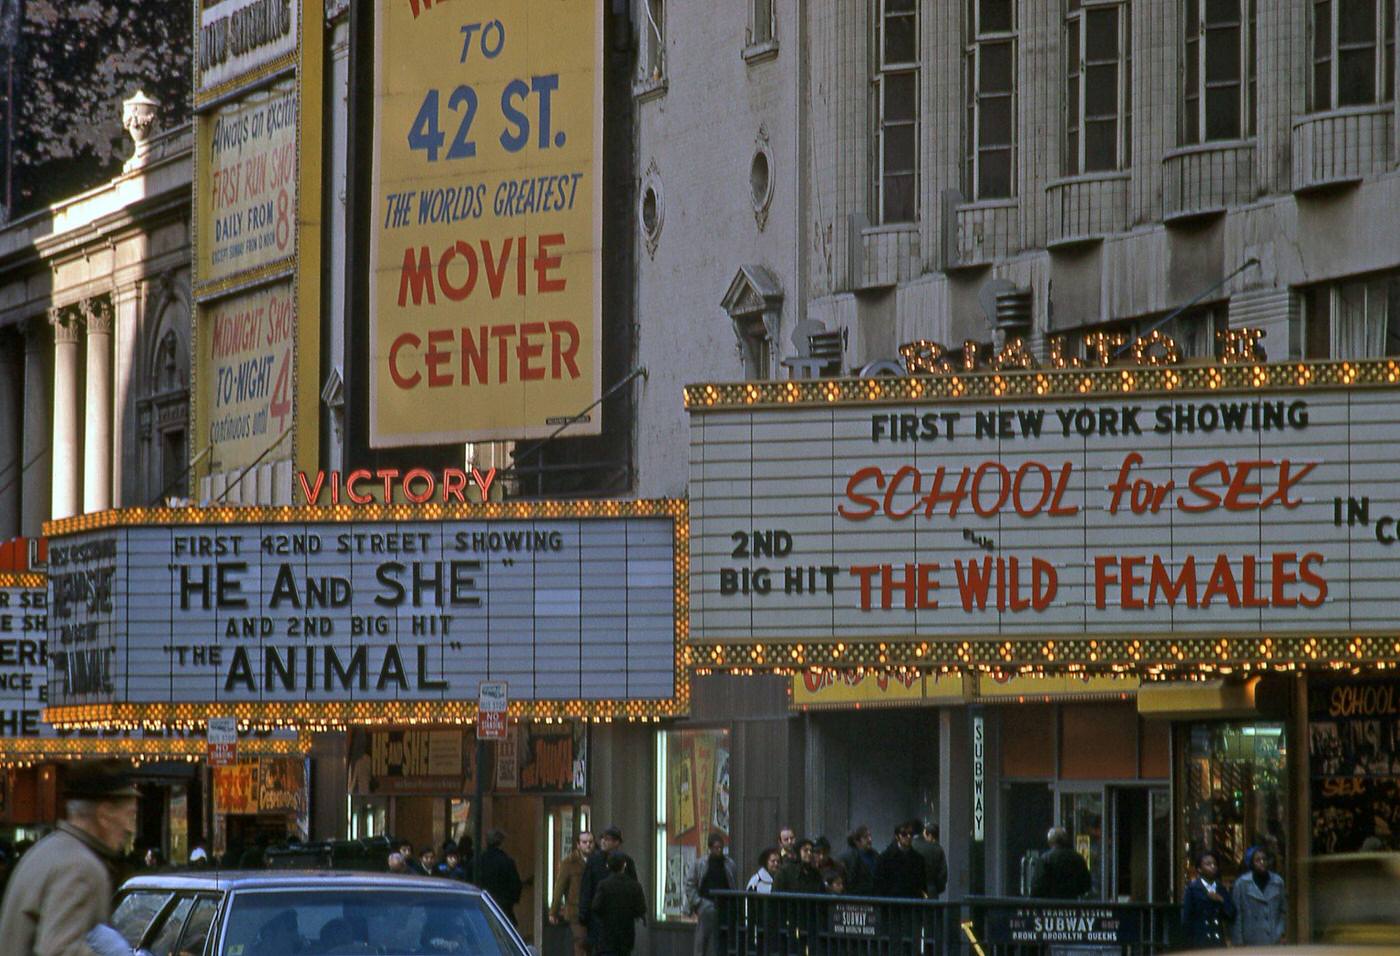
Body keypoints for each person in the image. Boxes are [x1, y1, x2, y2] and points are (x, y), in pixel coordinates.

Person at [0, 761, 140, 955]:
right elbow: (60, 950)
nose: (129, 828)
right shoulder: (80, 866)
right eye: (129, 815)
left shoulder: (47, 851)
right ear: (104, 814)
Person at [581, 826, 637, 951]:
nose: (603, 842)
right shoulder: (594, 861)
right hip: (599, 920)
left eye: (608, 839)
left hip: (621, 921)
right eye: (602, 839)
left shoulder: (627, 862)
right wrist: (583, 914)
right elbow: (586, 889)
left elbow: (634, 889)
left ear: (617, 842)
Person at [685, 832, 737, 956]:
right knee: (702, 940)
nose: (719, 851)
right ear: (710, 848)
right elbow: (690, 884)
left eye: (721, 848)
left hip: (725, 905)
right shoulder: (701, 864)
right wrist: (698, 902)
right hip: (706, 904)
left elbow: (733, 882)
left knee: (722, 940)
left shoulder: (729, 864)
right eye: (716, 848)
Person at [591, 851, 646, 956]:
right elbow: (641, 909)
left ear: (608, 866)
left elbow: (596, 907)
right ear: (624, 865)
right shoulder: (634, 886)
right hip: (626, 933)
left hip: (607, 933)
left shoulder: (604, 885)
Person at [550, 830, 594, 956]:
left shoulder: (597, 861)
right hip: (576, 910)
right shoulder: (569, 863)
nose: (588, 845)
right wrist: (554, 910)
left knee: (592, 944)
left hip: (593, 911)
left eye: (590, 842)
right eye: (584, 842)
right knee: (580, 942)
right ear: (578, 844)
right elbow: (560, 888)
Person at [1231, 848, 1285, 946]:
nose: (1262, 862)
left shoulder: (1277, 882)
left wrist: (1281, 932)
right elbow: (1238, 914)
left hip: (1274, 937)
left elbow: (1283, 910)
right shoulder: (1241, 884)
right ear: (1251, 863)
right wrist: (1238, 941)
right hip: (1251, 938)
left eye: (1264, 859)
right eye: (1257, 860)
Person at [1181, 850, 1234, 949]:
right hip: (1200, 939)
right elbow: (1187, 918)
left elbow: (1231, 913)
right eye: (1208, 864)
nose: (1212, 867)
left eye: (1214, 864)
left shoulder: (1220, 888)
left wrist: (1221, 900)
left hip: (1218, 938)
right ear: (1199, 869)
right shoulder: (1192, 888)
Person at [476, 828, 524, 925]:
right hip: (503, 906)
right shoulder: (506, 861)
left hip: (481, 905)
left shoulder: (478, 861)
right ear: (501, 843)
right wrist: (510, 900)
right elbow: (515, 885)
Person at [1032, 827, 1091, 899]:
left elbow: (1038, 884)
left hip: (1050, 903)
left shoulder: (1045, 859)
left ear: (1050, 842)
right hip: (1071, 902)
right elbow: (1086, 884)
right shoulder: (1078, 858)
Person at [912, 821, 949, 898]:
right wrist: (936, 888)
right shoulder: (938, 850)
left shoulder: (913, 846)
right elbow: (942, 874)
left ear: (929, 835)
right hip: (931, 891)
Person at [838, 825, 878, 896]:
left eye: (870, 836)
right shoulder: (848, 858)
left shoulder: (875, 855)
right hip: (856, 897)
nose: (870, 839)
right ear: (857, 841)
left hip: (873, 896)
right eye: (866, 837)